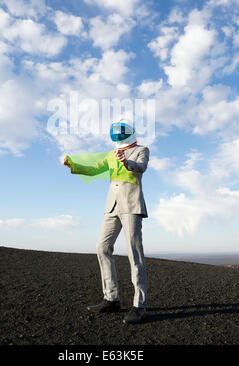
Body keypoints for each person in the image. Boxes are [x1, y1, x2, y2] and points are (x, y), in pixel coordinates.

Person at [63, 120, 149, 324]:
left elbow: (141, 167)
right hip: (111, 207)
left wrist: (126, 162)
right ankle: (111, 298)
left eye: (121, 133)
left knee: (134, 253)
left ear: (129, 133)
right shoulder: (111, 155)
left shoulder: (141, 149)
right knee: (102, 247)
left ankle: (139, 305)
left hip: (131, 206)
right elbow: (94, 170)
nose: (117, 136)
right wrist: (73, 166)